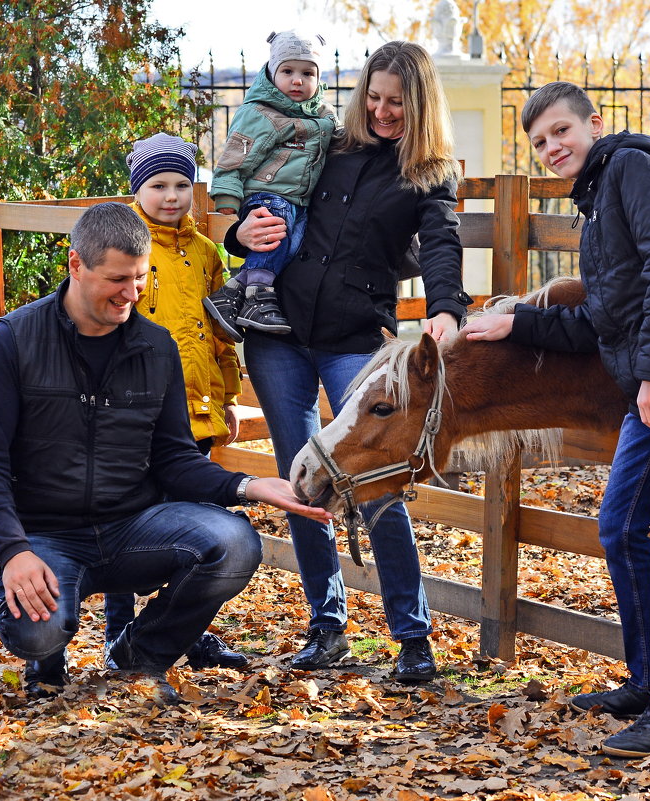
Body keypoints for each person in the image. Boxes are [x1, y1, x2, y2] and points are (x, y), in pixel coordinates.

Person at [464, 81, 650, 757]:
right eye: (539, 143)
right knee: (619, 525)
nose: (551, 148)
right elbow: (598, 321)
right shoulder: (595, 203)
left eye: (560, 131)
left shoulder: (633, 168)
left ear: (593, 123)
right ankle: (646, 680)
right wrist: (516, 322)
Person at [0, 202, 330, 704]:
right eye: (117, 279)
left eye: (139, 278)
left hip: (131, 527)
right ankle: (46, 648)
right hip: (45, 535)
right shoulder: (11, 342)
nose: (131, 294)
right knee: (38, 632)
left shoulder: (155, 348)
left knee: (235, 541)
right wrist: (12, 552)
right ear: (75, 265)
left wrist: (246, 485)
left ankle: (139, 653)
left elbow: (174, 457)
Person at [225, 41, 472, 683]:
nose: (382, 110)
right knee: (301, 477)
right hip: (278, 332)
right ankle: (326, 626)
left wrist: (446, 308)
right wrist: (237, 233)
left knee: (378, 481)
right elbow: (262, 192)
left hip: (355, 338)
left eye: (396, 101)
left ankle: (413, 640)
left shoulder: (431, 170)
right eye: (374, 96)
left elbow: (442, 241)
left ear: (418, 105)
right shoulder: (329, 144)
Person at [96, 132, 247, 671]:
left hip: (197, 412)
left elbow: (221, 333)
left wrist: (227, 396)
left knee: (200, 525)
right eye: (158, 185)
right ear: (138, 189)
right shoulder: (126, 249)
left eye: (182, 184)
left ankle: (185, 629)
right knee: (130, 518)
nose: (172, 196)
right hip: (135, 413)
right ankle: (119, 631)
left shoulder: (206, 253)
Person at [203, 30, 338, 342]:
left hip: (299, 202)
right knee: (275, 231)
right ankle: (258, 295)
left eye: (307, 73)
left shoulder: (323, 116)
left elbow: (342, 137)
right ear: (272, 72)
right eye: (287, 71)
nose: (297, 81)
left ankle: (230, 294)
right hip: (267, 195)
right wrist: (227, 199)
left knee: (294, 242)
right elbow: (235, 157)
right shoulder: (260, 113)